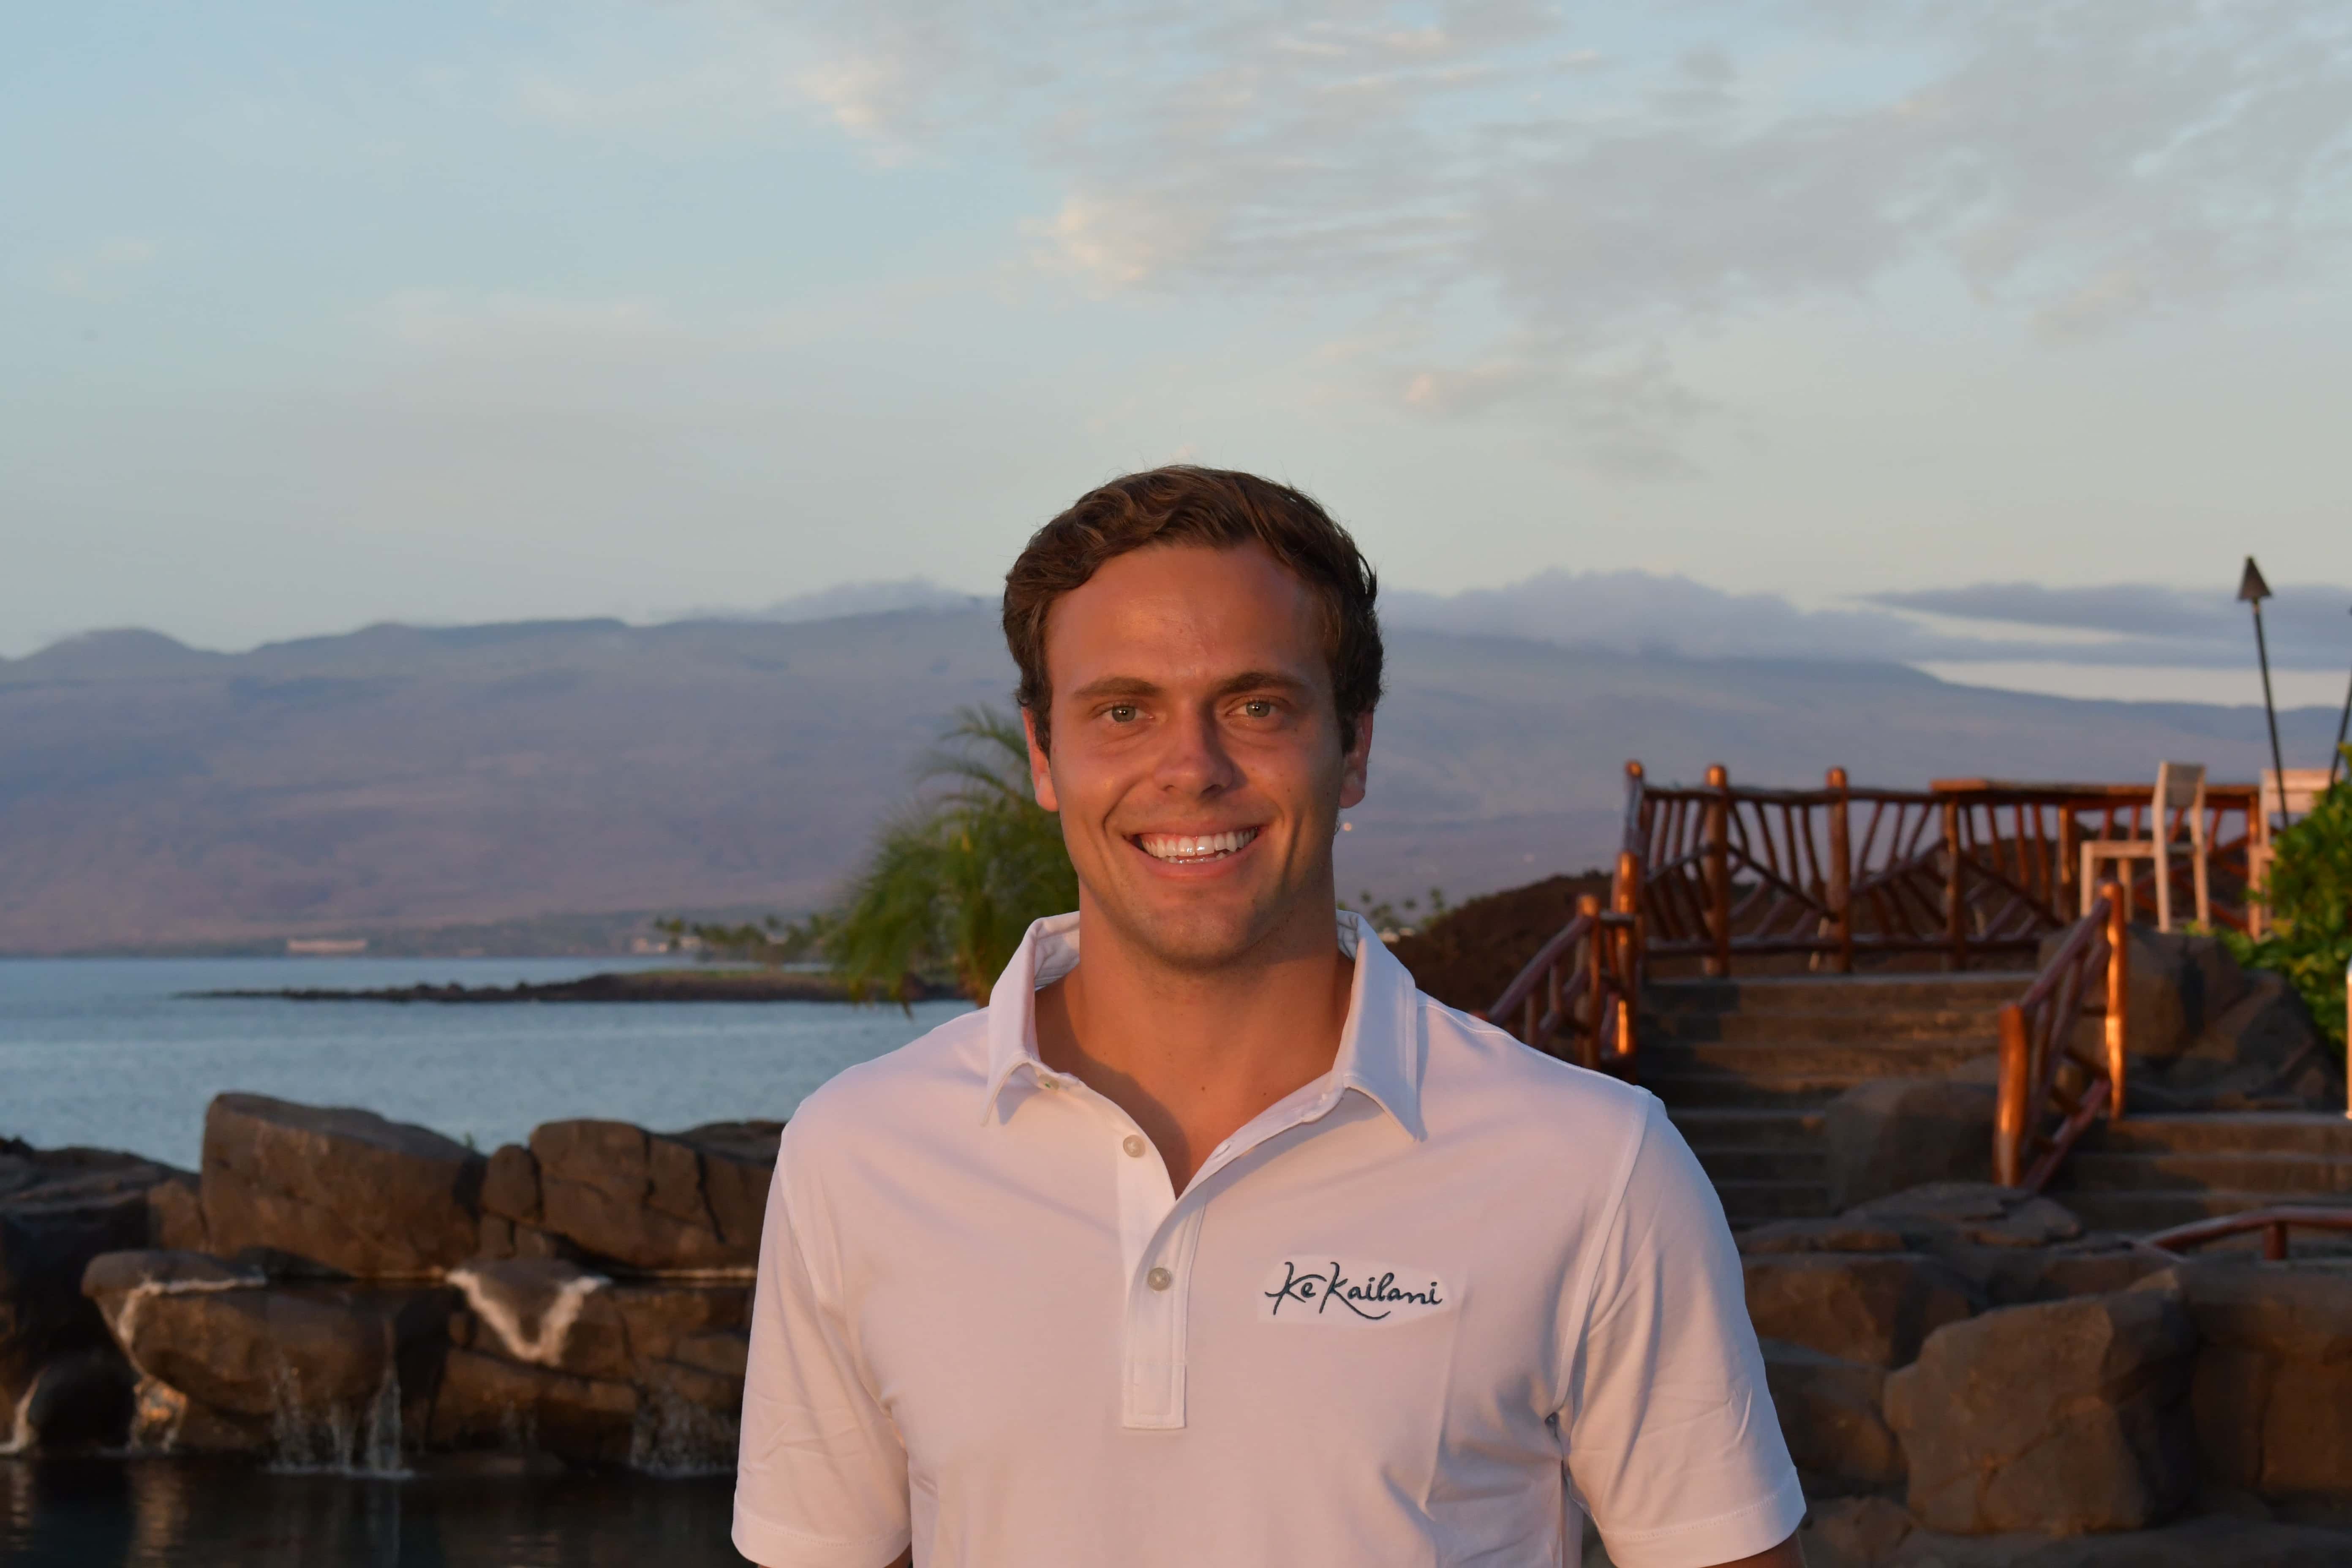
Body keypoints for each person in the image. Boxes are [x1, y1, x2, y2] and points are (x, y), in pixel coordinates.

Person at [733, 467, 1806, 1568]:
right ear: (1044, 756)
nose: (1190, 770)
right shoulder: (859, 1155)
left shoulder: (1593, 1167)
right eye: (1123, 710)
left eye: (1256, 706)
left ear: (1355, 748)